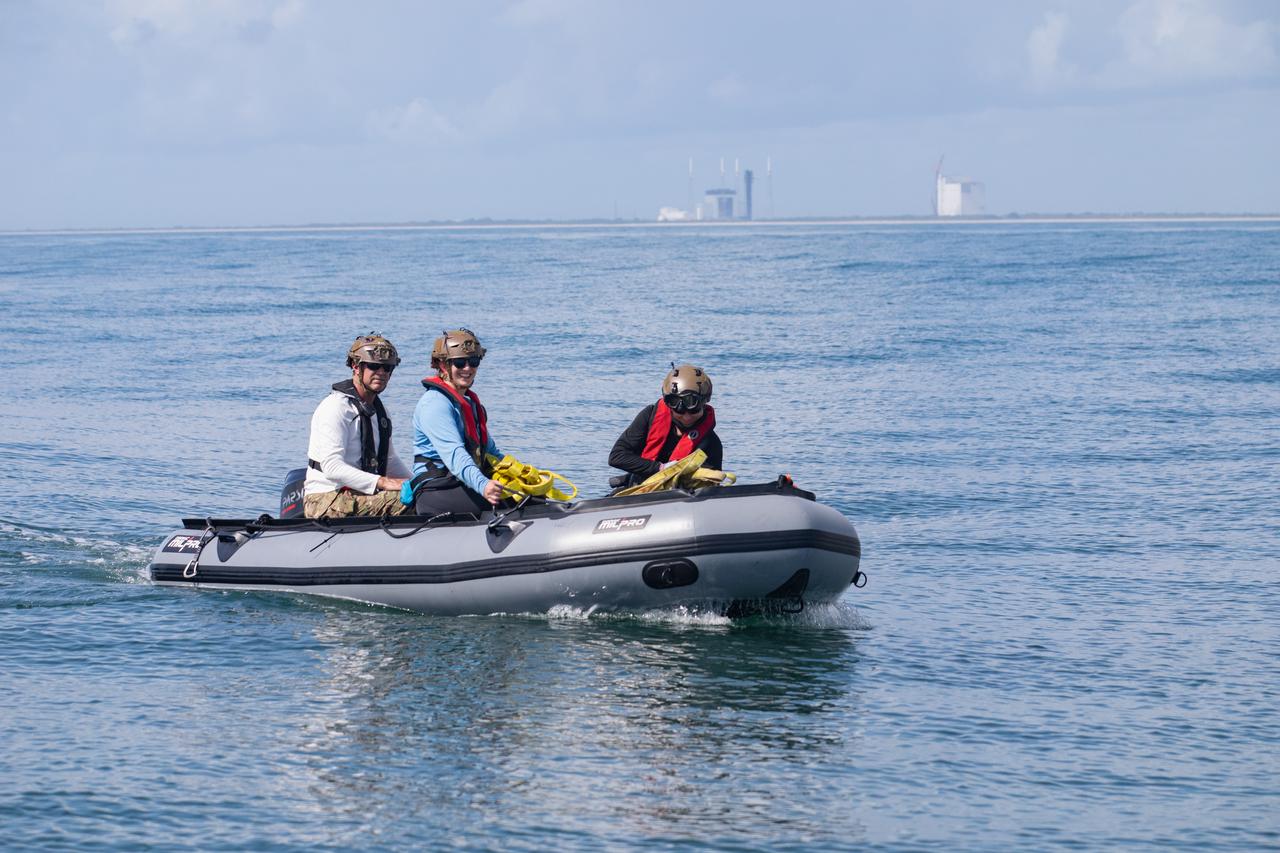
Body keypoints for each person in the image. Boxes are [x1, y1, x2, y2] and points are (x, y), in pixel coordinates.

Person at [304, 333, 413, 518]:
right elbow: (332, 467)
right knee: (410, 502)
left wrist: (419, 484)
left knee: (424, 496)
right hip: (325, 498)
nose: (381, 372)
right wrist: (383, 482)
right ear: (356, 367)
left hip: (360, 493)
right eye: (373, 366)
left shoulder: (380, 411)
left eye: (387, 368)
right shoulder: (336, 407)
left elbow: (390, 460)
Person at [409, 328, 505, 517]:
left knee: (530, 497)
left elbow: (492, 453)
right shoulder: (435, 404)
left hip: (459, 482)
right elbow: (455, 455)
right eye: (460, 363)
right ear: (443, 366)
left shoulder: (469, 404)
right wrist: (483, 485)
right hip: (436, 490)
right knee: (505, 504)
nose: (467, 368)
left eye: (474, 362)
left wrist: (521, 473)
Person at [609, 363, 722, 488]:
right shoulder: (649, 416)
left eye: (694, 411)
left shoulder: (711, 443)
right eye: (680, 411)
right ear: (669, 405)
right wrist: (660, 468)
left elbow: (711, 486)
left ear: (704, 404)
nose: (687, 417)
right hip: (638, 491)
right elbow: (617, 456)